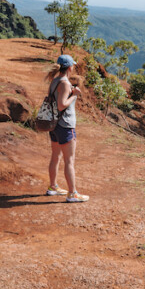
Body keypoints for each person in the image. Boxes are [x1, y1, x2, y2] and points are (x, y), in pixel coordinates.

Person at [45, 54, 90, 202]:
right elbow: (61, 104)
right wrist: (75, 95)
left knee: (55, 157)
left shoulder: (55, 81)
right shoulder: (64, 83)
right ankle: (72, 194)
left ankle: (53, 187)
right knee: (69, 160)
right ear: (70, 67)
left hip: (54, 125)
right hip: (65, 125)